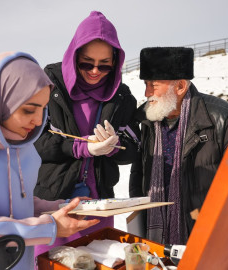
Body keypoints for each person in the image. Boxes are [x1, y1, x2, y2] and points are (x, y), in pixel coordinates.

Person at [129, 47, 228, 268]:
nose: (147, 93)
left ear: (180, 86)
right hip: (157, 246)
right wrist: (138, 232)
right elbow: (138, 176)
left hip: (209, 244)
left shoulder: (223, 118)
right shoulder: (147, 121)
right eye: (145, 84)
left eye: (153, 85)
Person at [33, 11, 139, 255]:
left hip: (99, 206)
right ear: (74, 56)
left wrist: (113, 146)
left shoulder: (121, 96)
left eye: (104, 65)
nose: (94, 71)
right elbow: (34, 141)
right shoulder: (49, 85)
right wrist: (82, 148)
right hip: (52, 205)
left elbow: (134, 148)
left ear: (116, 62)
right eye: (86, 63)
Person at [0, 51, 100, 270]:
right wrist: (49, 227)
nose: (38, 121)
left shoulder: (24, 150)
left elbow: (17, 204)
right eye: (29, 109)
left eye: (43, 109)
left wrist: (61, 207)